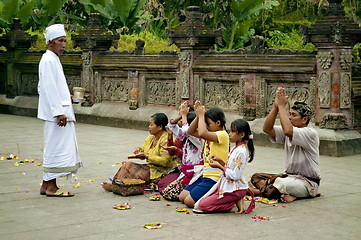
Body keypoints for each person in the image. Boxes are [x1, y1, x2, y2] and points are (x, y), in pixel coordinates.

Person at [250, 86, 321, 203]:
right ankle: (277, 191)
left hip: (307, 182)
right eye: (290, 114)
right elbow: (267, 129)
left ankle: (251, 191)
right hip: (289, 177)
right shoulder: (290, 131)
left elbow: (288, 130)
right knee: (256, 177)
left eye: (294, 115)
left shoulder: (310, 133)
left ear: (304, 120)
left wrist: (282, 106)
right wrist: (276, 107)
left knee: (279, 184)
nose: (289, 117)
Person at [37, 24, 82, 197]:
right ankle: (52, 187)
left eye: (65, 41)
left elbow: (51, 87)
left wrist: (67, 98)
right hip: (56, 114)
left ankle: (46, 184)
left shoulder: (52, 59)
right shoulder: (48, 60)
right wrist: (58, 112)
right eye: (60, 41)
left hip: (58, 110)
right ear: (50, 42)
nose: (64, 44)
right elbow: (48, 88)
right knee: (56, 148)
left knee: (54, 146)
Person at [102, 113, 177, 191]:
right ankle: (116, 184)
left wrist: (146, 156)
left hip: (162, 172)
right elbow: (144, 150)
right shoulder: (151, 137)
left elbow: (164, 161)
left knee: (134, 172)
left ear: (160, 127)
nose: (149, 127)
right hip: (152, 167)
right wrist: (138, 150)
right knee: (128, 165)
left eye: (151, 125)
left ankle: (117, 186)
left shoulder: (165, 139)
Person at [193, 119, 255, 214]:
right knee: (200, 203)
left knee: (202, 205)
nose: (229, 134)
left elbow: (235, 175)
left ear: (241, 135)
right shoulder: (236, 148)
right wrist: (220, 161)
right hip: (228, 185)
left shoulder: (241, 152)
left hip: (235, 188)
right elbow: (230, 166)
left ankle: (229, 203)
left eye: (233, 131)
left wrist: (219, 166)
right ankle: (234, 200)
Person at [179, 101, 229, 208]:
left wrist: (202, 115)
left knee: (189, 202)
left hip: (215, 178)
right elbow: (190, 131)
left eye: (209, 124)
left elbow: (202, 133)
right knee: (182, 197)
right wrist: (198, 116)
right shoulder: (211, 134)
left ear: (218, 123)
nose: (206, 126)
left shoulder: (222, 135)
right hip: (205, 175)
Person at [159, 101, 204, 200]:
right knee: (165, 189)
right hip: (184, 171)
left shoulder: (199, 138)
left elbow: (186, 130)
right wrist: (182, 115)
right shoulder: (186, 136)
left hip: (195, 173)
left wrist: (184, 115)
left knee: (170, 193)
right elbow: (171, 125)